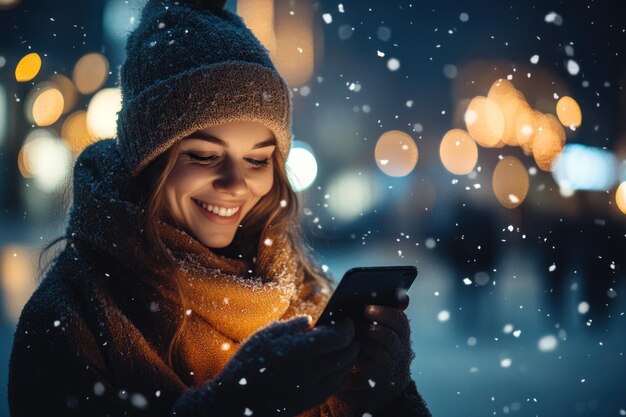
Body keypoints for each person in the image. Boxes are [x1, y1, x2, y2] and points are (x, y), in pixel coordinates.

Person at [8, 0, 432, 416]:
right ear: (148, 161)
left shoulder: (304, 297)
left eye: (257, 159)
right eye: (204, 156)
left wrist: (387, 399)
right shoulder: (73, 316)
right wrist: (238, 403)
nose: (235, 184)